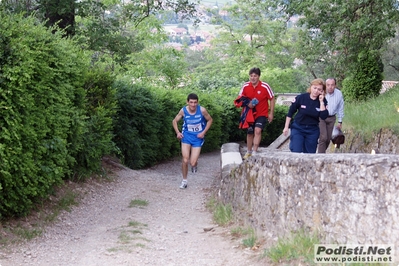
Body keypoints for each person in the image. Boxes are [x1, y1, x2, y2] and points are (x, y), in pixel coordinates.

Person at [172, 93, 213, 189]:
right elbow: (174, 121)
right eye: (191, 102)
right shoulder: (183, 111)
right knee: (185, 160)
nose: (193, 105)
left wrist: (203, 132)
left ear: (197, 102)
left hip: (198, 138)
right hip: (186, 136)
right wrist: (178, 132)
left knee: (192, 162)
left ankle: (195, 165)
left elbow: (210, 120)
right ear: (187, 102)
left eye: (195, 102)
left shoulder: (202, 110)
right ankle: (184, 181)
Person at [235, 67, 275, 159]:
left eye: (255, 76)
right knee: (249, 133)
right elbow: (239, 98)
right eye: (251, 76)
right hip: (249, 114)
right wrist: (247, 103)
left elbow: (272, 98)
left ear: (258, 77)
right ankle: (248, 151)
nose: (253, 78)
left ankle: (255, 151)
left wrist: (271, 113)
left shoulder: (265, 86)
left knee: (257, 130)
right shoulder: (245, 86)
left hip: (261, 113)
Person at [283, 78, 328, 153]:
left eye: (319, 89)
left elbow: (323, 116)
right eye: (315, 88)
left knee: (309, 154)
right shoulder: (301, 98)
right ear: (311, 87)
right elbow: (290, 112)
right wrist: (286, 127)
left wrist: (321, 102)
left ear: (322, 91)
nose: (316, 91)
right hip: (298, 128)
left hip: (312, 130)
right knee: (296, 150)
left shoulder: (323, 101)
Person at [317, 78, 344, 153]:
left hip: (332, 118)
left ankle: (320, 152)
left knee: (328, 139)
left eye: (332, 85)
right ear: (326, 85)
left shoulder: (339, 94)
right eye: (328, 85)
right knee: (323, 137)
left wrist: (340, 121)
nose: (330, 87)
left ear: (335, 85)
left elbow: (340, 107)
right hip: (322, 117)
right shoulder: (322, 92)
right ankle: (320, 156)